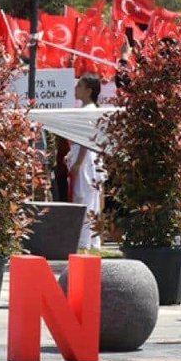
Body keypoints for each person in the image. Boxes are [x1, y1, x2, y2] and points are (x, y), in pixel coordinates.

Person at [64, 73, 104, 252]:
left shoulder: (89, 110)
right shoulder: (87, 109)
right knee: (87, 199)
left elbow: (86, 140)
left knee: (86, 199)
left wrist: (79, 162)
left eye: (79, 86)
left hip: (87, 160)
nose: (76, 88)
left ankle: (85, 241)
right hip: (85, 157)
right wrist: (71, 155)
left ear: (89, 91)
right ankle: (90, 240)